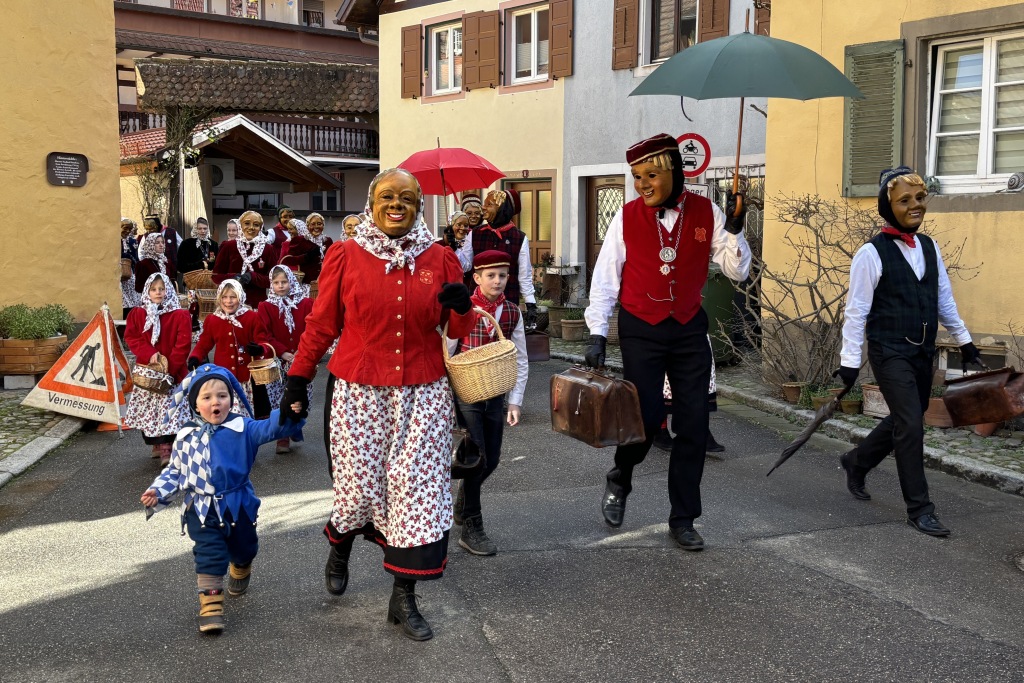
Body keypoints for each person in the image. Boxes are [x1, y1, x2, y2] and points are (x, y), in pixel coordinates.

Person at [278, 168, 476, 642]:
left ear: (419, 207)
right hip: (358, 391)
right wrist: (297, 379)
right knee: (358, 490)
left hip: (424, 392)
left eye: (407, 199)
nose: (396, 205)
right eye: (387, 196)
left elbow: (457, 333)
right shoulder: (345, 255)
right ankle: (341, 544)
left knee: (417, 492)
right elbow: (322, 325)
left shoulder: (441, 257)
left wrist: (462, 305)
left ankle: (403, 598)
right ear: (370, 203)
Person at [584, 133, 751, 551]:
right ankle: (621, 476)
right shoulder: (625, 218)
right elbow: (606, 279)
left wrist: (734, 230)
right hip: (642, 326)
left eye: (651, 175)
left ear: (674, 171)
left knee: (694, 425)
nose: (642, 184)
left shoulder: (706, 211)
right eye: (637, 176)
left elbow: (736, 272)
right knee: (645, 420)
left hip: (689, 327)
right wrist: (597, 332)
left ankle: (683, 518)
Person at [835, 166, 979, 538]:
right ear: (887, 205)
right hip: (889, 351)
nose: (915, 206)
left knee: (905, 418)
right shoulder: (871, 253)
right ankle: (920, 508)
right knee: (913, 425)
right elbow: (856, 311)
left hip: (923, 350)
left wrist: (964, 341)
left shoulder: (929, 246)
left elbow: (943, 297)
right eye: (904, 200)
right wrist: (849, 363)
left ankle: (857, 460)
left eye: (919, 198)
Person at [140, 364, 305, 634]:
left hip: (237, 503)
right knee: (209, 554)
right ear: (195, 404)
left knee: (245, 547)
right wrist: (157, 491)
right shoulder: (185, 436)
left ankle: (241, 565)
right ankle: (211, 607)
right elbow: (176, 471)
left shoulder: (244, 428)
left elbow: (270, 428)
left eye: (222, 396)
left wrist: (288, 411)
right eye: (207, 397)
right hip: (201, 508)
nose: (215, 402)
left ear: (231, 398)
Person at [447, 250, 529, 556]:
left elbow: (519, 358)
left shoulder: (512, 312)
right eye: (490, 275)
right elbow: (450, 350)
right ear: (477, 278)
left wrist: (516, 401)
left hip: (495, 392)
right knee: (476, 457)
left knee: (491, 459)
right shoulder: (464, 309)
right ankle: (472, 526)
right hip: (468, 392)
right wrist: (447, 392)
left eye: (503, 275)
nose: (497, 281)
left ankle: (464, 498)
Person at [124, 273, 192, 465]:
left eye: (161, 289)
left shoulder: (180, 314)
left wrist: (169, 368)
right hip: (149, 372)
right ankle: (155, 443)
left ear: (168, 290)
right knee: (150, 412)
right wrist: (149, 353)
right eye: (154, 289)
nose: (158, 293)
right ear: (147, 291)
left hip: (172, 373)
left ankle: (166, 448)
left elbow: (183, 343)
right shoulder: (138, 313)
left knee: (168, 413)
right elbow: (132, 338)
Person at [189, 279, 275, 419]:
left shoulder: (252, 317)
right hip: (224, 379)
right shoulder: (213, 320)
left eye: (233, 297)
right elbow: (204, 343)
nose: (228, 301)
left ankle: (248, 439)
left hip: (247, 379)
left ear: (240, 297)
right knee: (226, 416)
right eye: (224, 297)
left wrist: (260, 349)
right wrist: (195, 357)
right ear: (219, 298)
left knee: (249, 417)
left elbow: (264, 342)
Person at [456, 189, 539, 329]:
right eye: (485, 203)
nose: (483, 207)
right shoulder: (475, 234)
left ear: (502, 208)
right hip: (477, 304)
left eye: (489, 204)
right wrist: (454, 246)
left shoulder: (519, 238)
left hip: (507, 303)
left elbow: (524, 276)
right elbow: (466, 266)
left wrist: (530, 303)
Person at [258, 265, 314, 454]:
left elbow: (311, 329)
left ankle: (294, 425)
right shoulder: (265, 306)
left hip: (301, 358)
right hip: (277, 360)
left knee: (300, 397)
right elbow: (265, 334)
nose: (280, 286)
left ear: (291, 281)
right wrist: (282, 352)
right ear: (271, 285)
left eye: (284, 282)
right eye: (276, 283)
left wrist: (302, 351)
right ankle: (282, 438)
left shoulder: (306, 303)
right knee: (278, 399)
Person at [212, 210, 279, 306]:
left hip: (256, 303)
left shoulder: (268, 249)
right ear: (240, 225)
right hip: (231, 304)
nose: (251, 228)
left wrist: (253, 277)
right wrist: (234, 277)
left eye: (256, 225)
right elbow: (216, 276)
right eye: (247, 223)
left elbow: (273, 281)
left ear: (260, 227)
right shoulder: (229, 246)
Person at [120, 218, 140, 319]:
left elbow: (135, 257)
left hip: (129, 273)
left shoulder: (131, 241)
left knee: (133, 299)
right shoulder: (115, 240)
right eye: (125, 228)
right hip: (120, 275)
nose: (127, 231)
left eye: (130, 229)